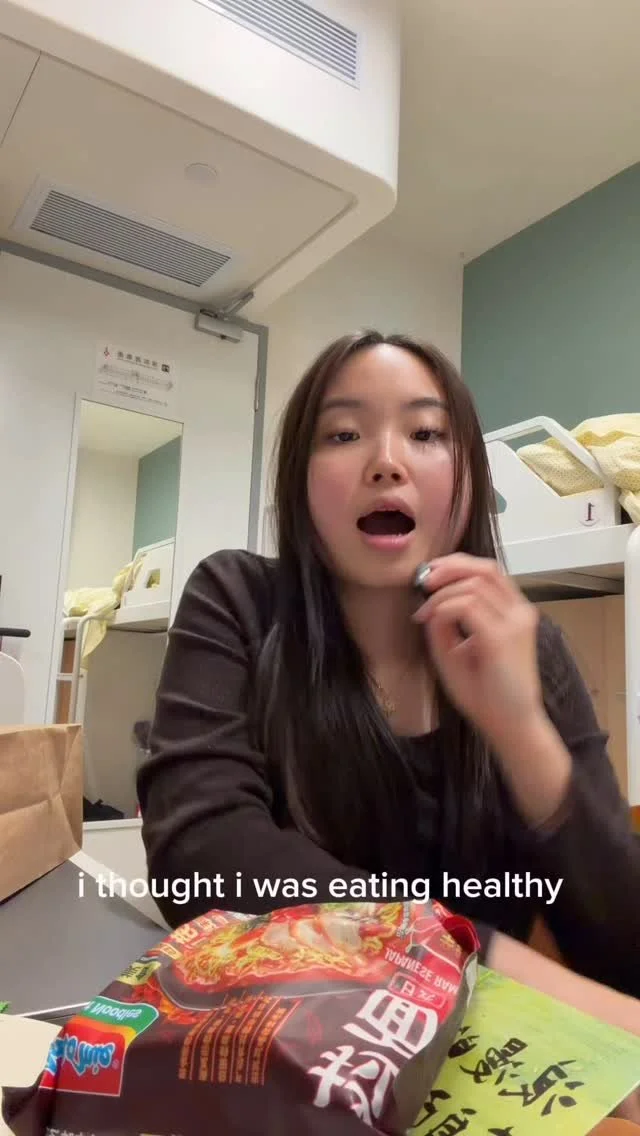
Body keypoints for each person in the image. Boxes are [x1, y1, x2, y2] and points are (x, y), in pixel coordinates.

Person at [137, 331, 640, 1052]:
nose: (386, 461)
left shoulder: (529, 646)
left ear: (468, 480)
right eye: (343, 434)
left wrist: (520, 729)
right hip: (288, 1058)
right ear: (300, 481)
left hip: (480, 1065)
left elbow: (623, 950)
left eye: (426, 433)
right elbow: (200, 858)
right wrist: (474, 953)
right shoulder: (237, 600)